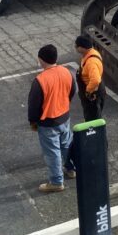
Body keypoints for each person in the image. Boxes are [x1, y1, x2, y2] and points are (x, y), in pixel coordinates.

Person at [28, 44, 77, 193]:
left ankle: (56, 182)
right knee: (67, 144)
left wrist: (33, 122)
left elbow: (33, 105)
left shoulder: (40, 80)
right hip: (64, 116)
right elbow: (72, 91)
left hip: (48, 122)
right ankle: (71, 169)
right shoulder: (67, 72)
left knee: (52, 152)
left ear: (41, 60)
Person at [75, 35, 105, 121]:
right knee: (91, 115)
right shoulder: (90, 53)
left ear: (82, 48)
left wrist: (88, 91)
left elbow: (95, 80)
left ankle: (93, 133)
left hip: (93, 94)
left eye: (77, 46)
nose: (75, 47)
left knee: (93, 119)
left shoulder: (91, 62)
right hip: (94, 90)